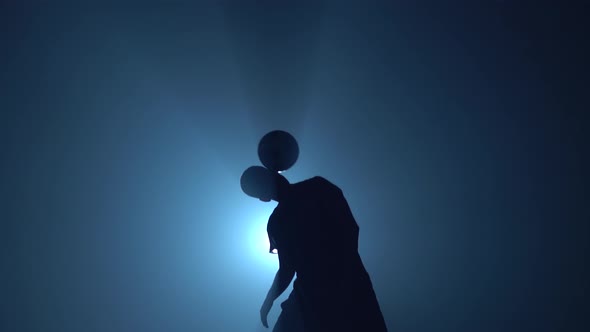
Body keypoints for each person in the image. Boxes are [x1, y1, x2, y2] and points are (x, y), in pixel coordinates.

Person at [240, 166, 388, 332]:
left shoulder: (279, 219)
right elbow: (351, 229)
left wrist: (269, 300)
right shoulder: (316, 188)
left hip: (321, 291)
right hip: (336, 287)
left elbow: (287, 269)